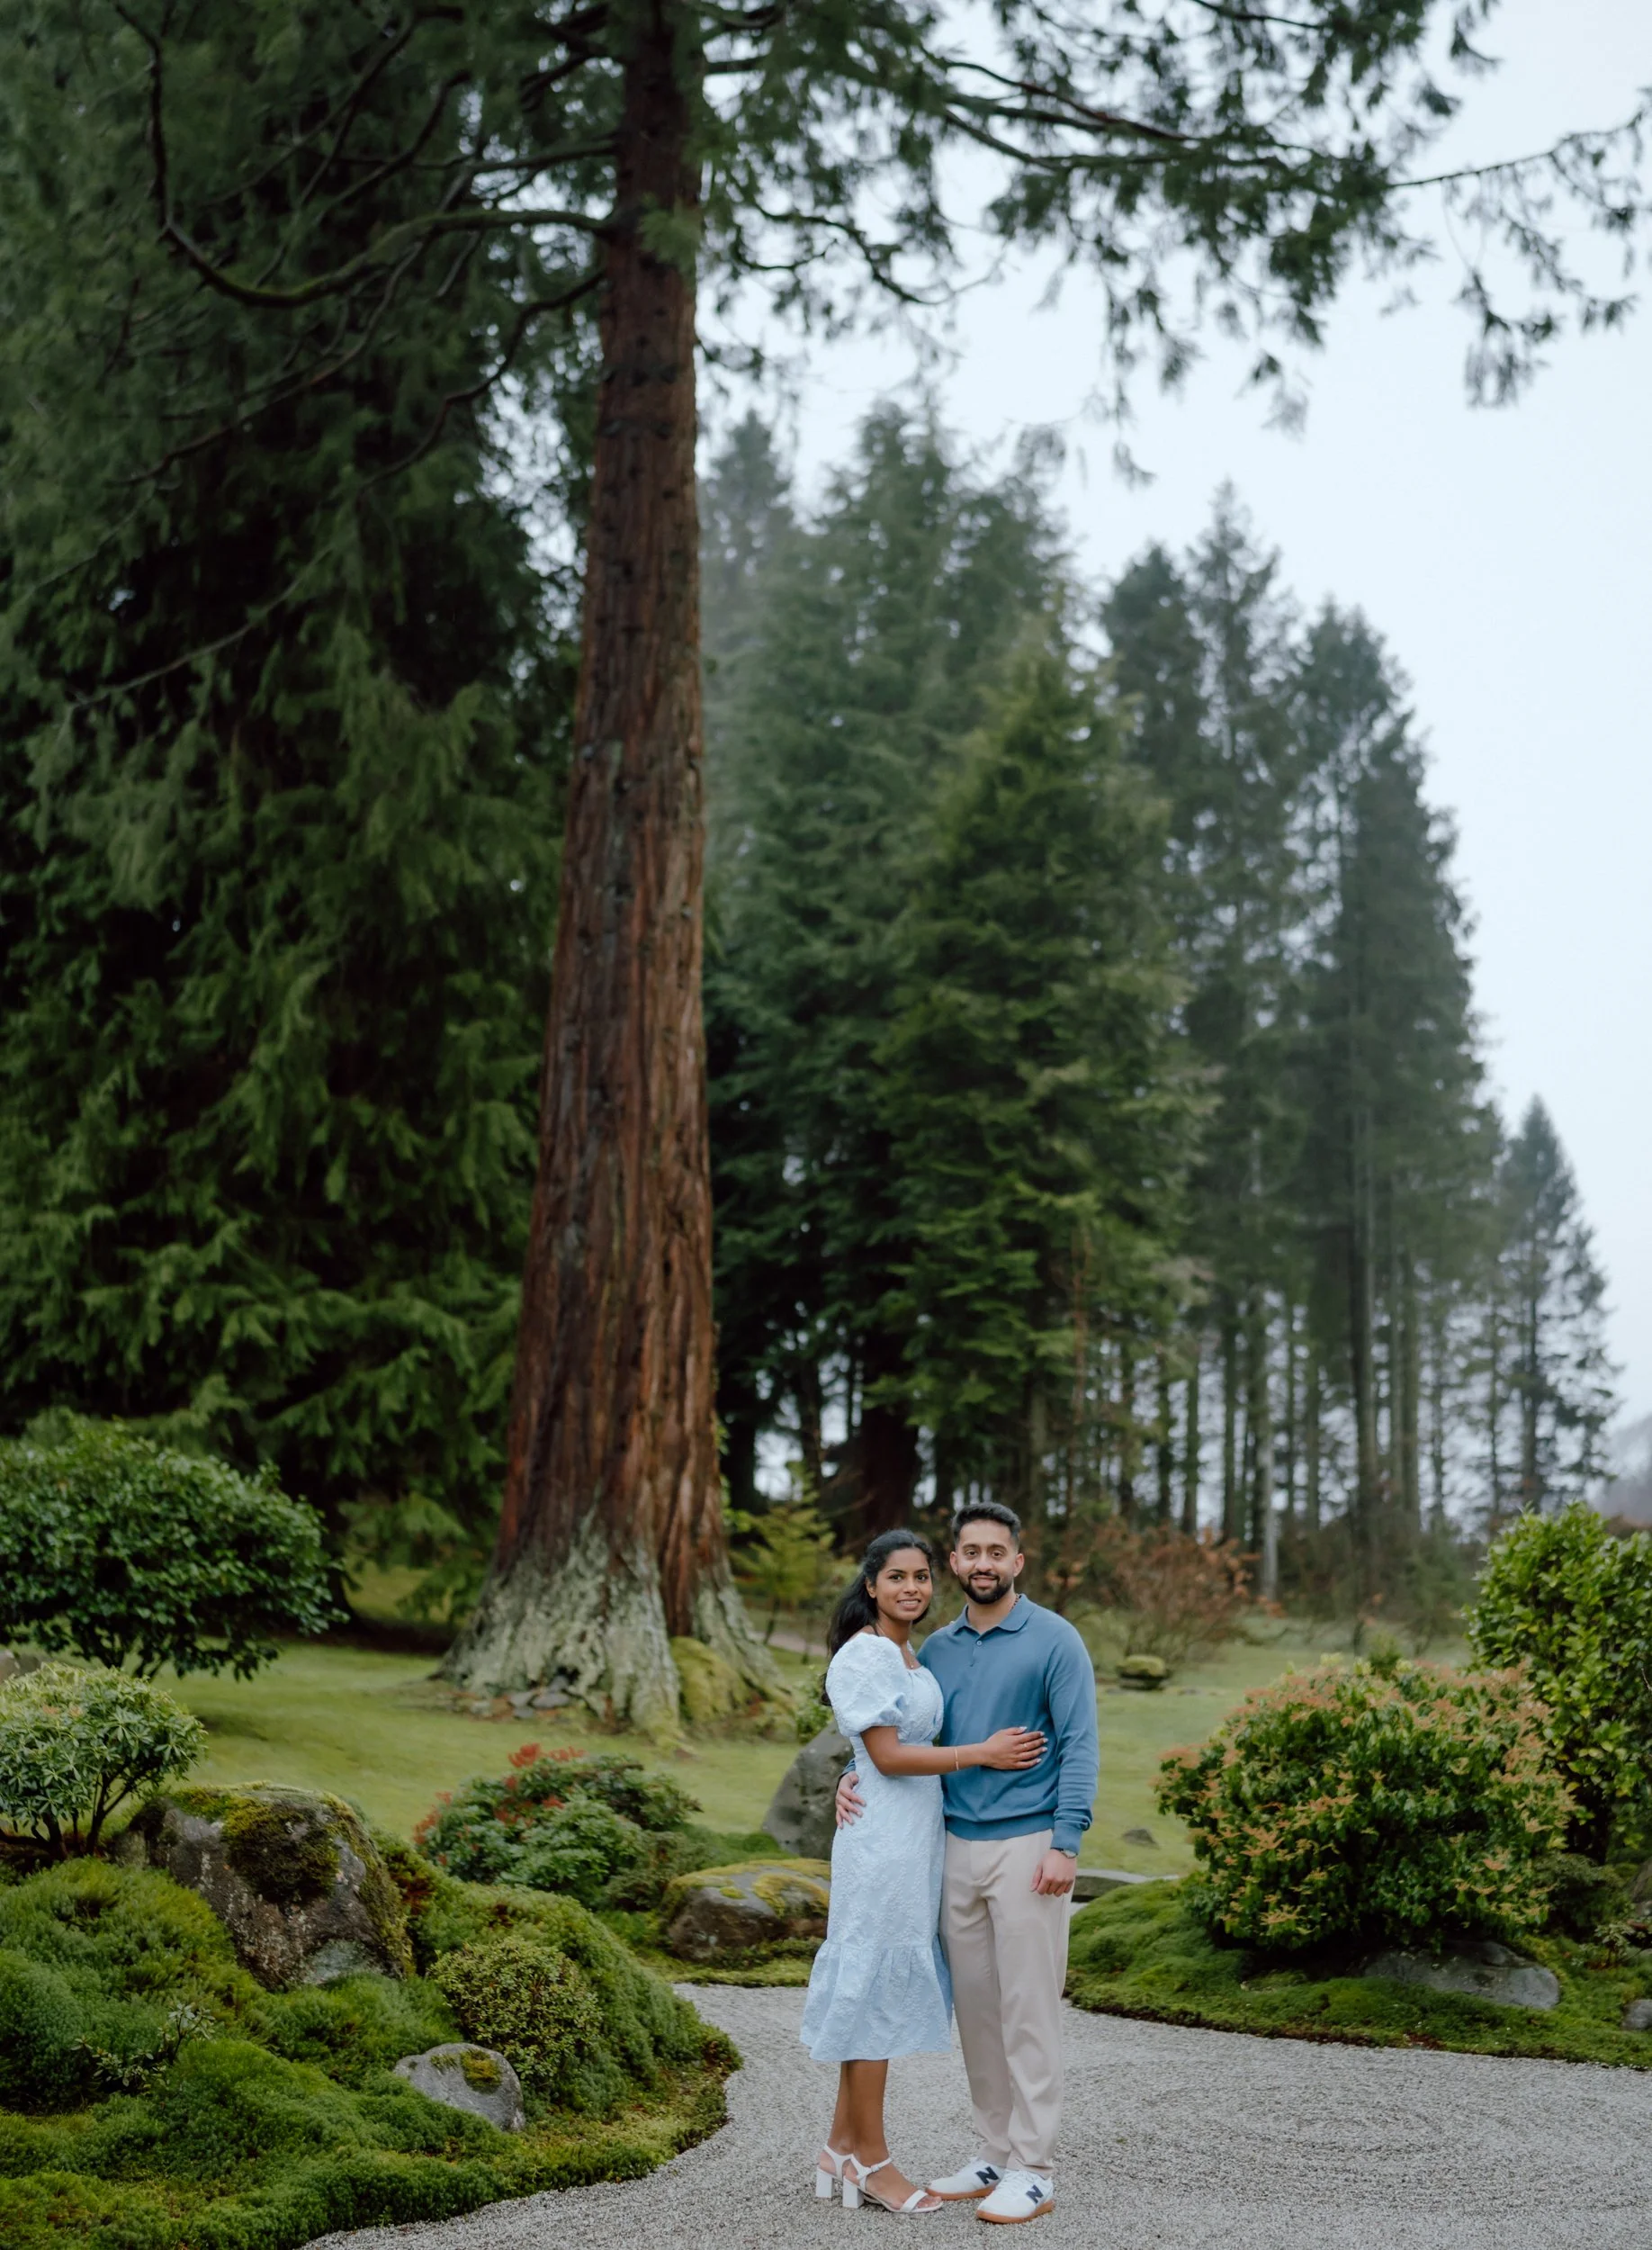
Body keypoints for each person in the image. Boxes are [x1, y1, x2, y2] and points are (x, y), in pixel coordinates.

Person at [837, 1503, 1099, 2226]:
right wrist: (851, 1773)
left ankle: (1035, 2168)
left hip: (1028, 1845)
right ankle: (993, 2153)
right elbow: (900, 1735)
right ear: (955, 1563)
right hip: (952, 1846)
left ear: (1018, 1561)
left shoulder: (1055, 1639)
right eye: (970, 1552)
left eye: (997, 1552)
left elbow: (1079, 1744)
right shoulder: (937, 1650)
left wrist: (1065, 1843)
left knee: (1029, 2010)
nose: (983, 1563)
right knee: (978, 2012)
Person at [800, 1528, 1048, 2218]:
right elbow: (886, 1756)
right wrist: (983, 1754)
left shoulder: (908, 1653)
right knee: (874, 1994)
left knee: (878, 1989)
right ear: (871, 1586)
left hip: (915, 1842)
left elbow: (879, 1751)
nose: (912, 1587)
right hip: (881, 1846)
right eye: (897, 1577)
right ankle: (874, 2162)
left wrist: (855, 1771)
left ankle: (838, 2146)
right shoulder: (867, 1654)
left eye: (921, 1576)